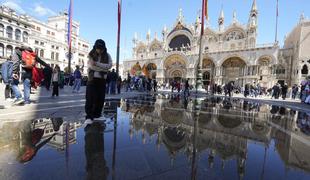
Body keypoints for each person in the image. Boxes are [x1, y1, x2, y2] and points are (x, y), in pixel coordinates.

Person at [85, 39, 112, 124]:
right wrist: (103, 68)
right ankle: (89, 117)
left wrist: (96, 64)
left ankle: (97, 115)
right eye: (98, 48)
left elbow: (109, 66)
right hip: (92, 79)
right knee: (90, 98)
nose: (99, 50)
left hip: (102, 79)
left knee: (100, 98)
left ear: (104, 48)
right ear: (95, 47)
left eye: (101, 48)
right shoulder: (91, 54)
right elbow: (90, 66)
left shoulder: (107, 55)